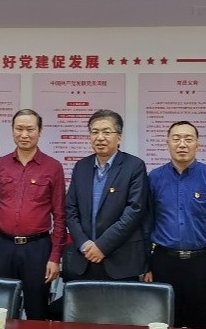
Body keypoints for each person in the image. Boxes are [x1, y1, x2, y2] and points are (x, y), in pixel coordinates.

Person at [144, 121, 206, 329]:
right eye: (176, 139)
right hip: (164, 262)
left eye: (188, 139)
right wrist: (147, 266)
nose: (182, 144)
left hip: (202, 265)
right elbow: (147, 224)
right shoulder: (154, 178)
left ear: (197, 145)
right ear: (167, 143)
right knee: (163, 325)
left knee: (201, 328)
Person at [0, 109, 66, 321]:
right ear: (12, 131)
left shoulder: (53, 167)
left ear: (40, 132)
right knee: (1, 308)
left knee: (37, 309)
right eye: (19, 129)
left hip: (38, 248)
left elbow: (60, 216)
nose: (24, 134)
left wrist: (55, 257)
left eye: (30, 129)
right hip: (3, 246)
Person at [63, 109, 149, 281]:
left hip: (121, 260)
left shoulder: (134, 166)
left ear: (119, 138)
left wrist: (102, 246)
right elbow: (70, 210)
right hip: (84, 258)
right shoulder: (81, 166)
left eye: (106, 132)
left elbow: (134, 211)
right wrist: (84, 244)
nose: (100, 137)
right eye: (95, 132)